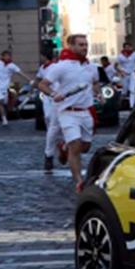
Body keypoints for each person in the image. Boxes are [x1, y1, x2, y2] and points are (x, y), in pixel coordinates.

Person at [38, 34, 100, 189]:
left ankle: (63, 147)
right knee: (75, 146)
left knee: (84, 147)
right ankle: (79, 181)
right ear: (71, 46)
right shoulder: (61, 66)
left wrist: (98, 93)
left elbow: (95, 82)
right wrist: (53, 94)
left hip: (86, 112)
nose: (84, 48)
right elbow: (43, 84)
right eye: (80, 45)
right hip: (67, 112)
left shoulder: (91, 67)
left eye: (86, 44)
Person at [0, 50, 28, 126]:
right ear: (2, 56)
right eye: (6, 55)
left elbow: (20, 73)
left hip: (4, 88)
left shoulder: (12, 66)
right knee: (0, 101)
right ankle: (4, 119)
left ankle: (7, 113)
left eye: (9, 56)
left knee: (6, 102)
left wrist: (30, 80)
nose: (8, 57)